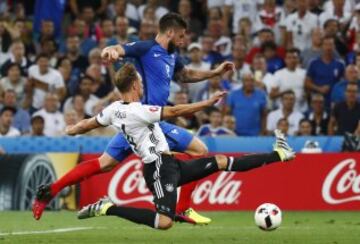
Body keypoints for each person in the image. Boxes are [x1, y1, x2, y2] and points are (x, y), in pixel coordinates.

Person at [32, 13, 235, 224]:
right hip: (142, 118)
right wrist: (110, 51)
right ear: (170, 32)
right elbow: (121, 49)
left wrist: (215, 73)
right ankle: (182, 209)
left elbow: (186, 75)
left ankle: (50, 190)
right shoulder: (147, 48)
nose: (183, 41)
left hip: (151, 124)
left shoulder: (173, 55)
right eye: (181, 36)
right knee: (199, 150)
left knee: (105, 163)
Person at [65, 63, 294, 230]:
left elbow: (89, 123)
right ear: (135, 84)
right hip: (157, 169)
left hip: (170, 164)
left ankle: (279, 153)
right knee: (164, 222)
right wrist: (207, 102)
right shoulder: (139, 110)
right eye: (140, 82)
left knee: (222, 162)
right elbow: (174, 111)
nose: (142, 85)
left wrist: (72, 129)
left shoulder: (113, 109)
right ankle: (108, 207)